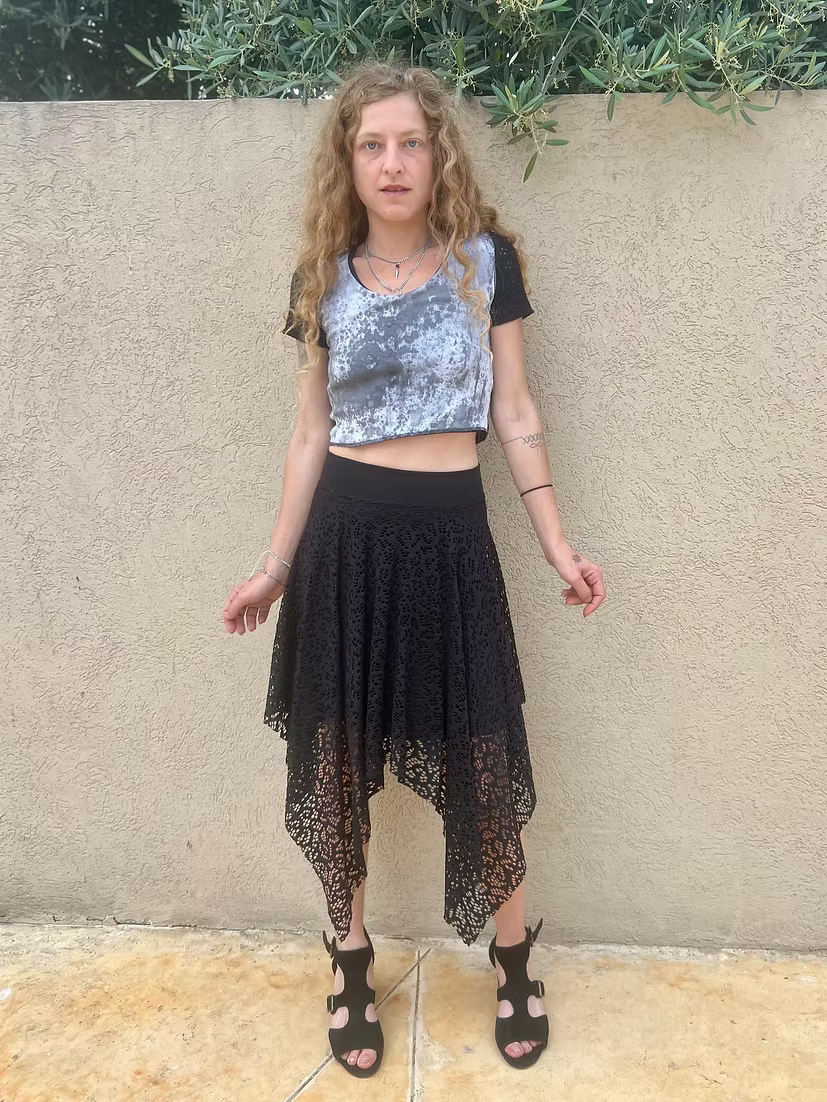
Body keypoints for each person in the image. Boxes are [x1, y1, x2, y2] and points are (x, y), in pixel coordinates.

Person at [222, 60, 606, 1079]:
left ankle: (513, 957)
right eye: (370, 144)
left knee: (483, 754)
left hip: (451, 540)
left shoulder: (486, 261)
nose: (391, 162)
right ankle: (349, 960)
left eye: (409, 142)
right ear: (347, 162)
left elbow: (513, 412)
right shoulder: (320, 277)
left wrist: (557, 544)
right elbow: (310, 432)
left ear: (437, 155)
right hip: (343, 546)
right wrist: (273, 566)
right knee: (334, 759)